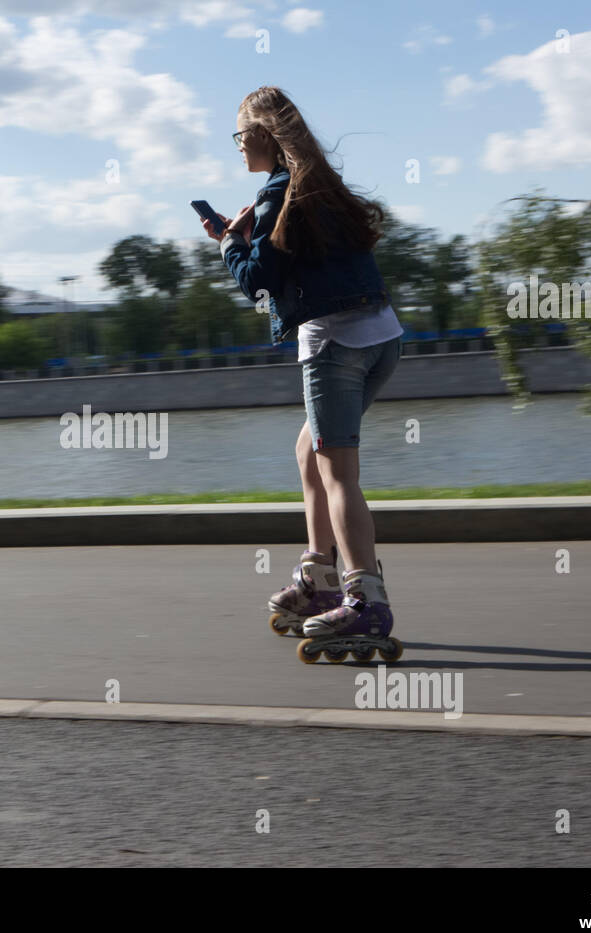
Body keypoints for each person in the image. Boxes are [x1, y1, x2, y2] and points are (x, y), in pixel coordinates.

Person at [200, 85, 404, 646]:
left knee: (338, 473)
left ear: (264, 135)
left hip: (334, 343)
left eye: (241, 136)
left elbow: (259, 284)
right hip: (382, 335)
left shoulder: (274, 193)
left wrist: (229, 246)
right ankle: (319, 578)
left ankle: (365, 602)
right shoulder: (320, 187)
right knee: (308, 450)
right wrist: (250, 235)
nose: (239, 147)